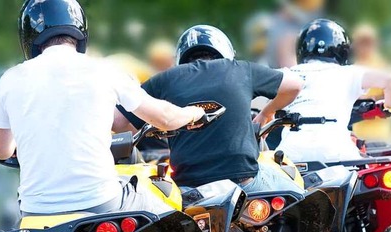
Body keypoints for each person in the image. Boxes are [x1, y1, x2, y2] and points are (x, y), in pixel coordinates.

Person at [0, 0, 205, 216]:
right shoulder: (104, 70)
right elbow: (165, 118)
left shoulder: (10, 79)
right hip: (100, 201)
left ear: (28, 34)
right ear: (79, 29)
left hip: (34, 211)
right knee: (169, 208)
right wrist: (195, 113)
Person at [114, 25, 303, 193]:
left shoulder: (165, 79)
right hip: (245, 182)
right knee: (295, 191)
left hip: (189, 188)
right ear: (225, 50)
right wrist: (266, 113)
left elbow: (119, 122)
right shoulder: (241, 69)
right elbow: (294, 85)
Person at [275, 19, 391, 163]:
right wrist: (389, 107)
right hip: (337, 153)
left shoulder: (287, 74)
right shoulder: (349, 73)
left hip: (290, 155)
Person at [351, 23, 391, 143]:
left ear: (376, 43)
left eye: (367, 42)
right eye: (361, 42)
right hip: (357, 136)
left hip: (381, 134)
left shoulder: (386, 67)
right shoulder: (351, 70)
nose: (364, 46)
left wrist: (370, 100)